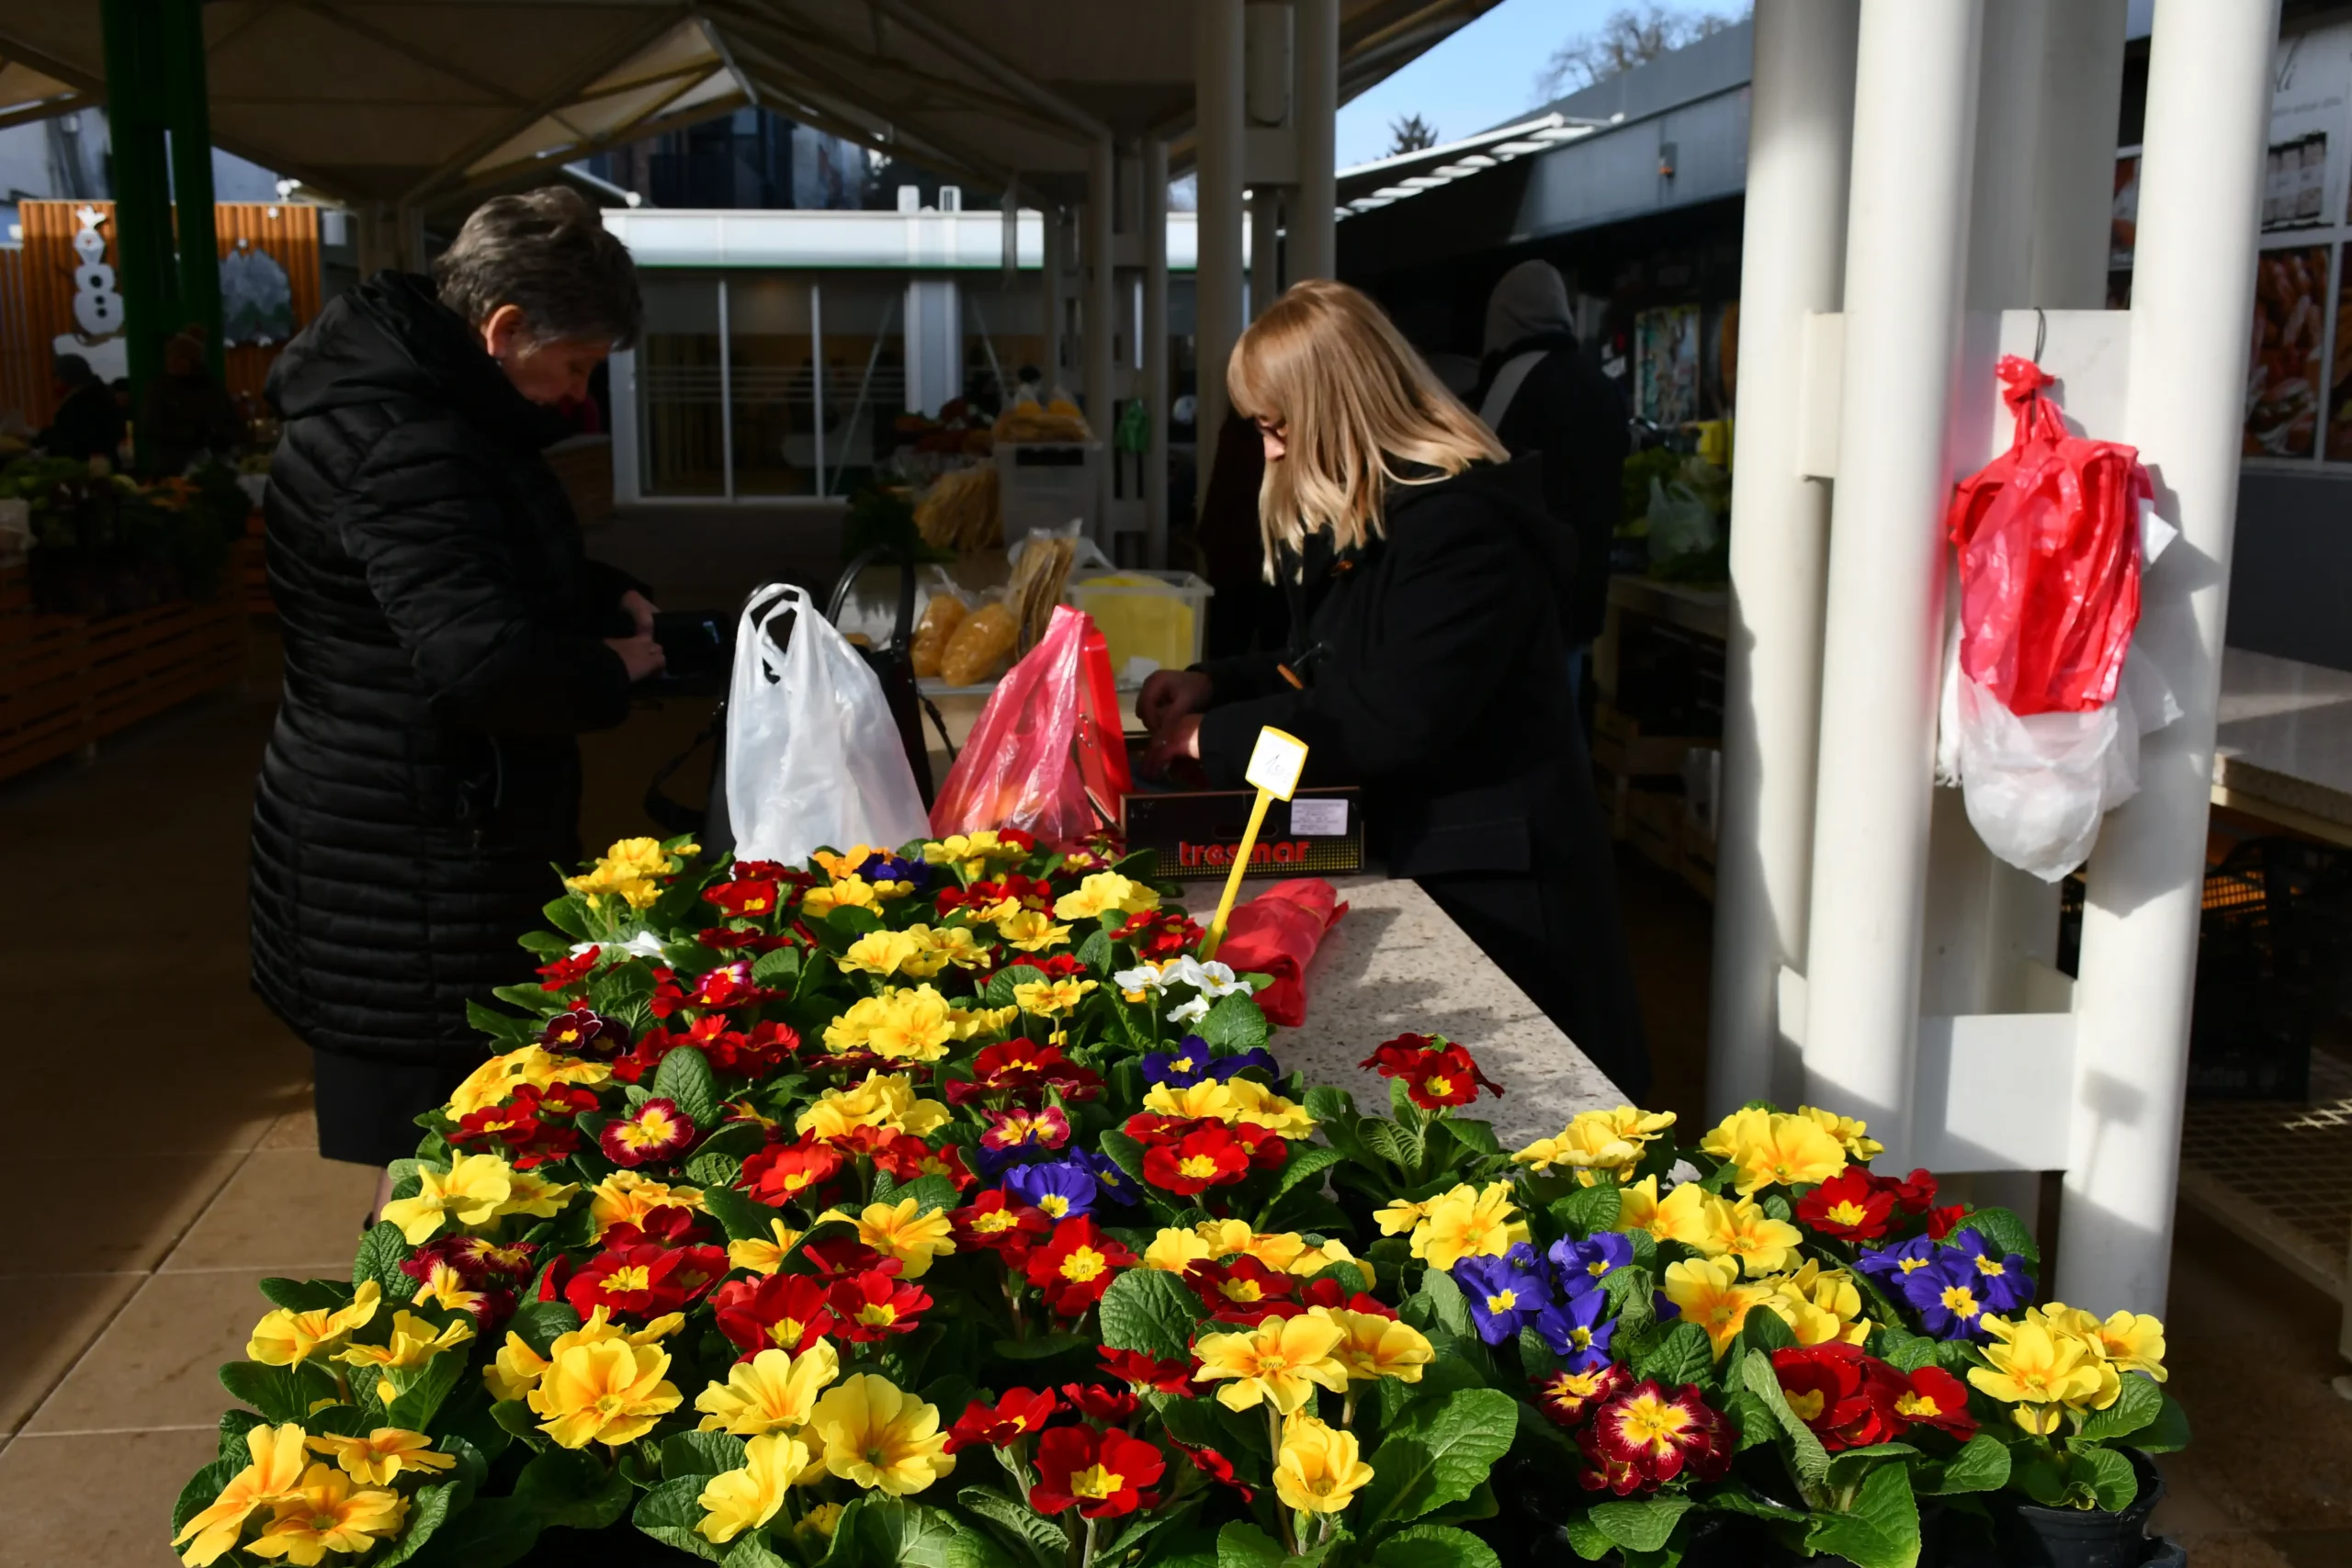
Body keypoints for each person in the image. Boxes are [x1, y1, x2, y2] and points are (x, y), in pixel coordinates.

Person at [1137, 279, 1648, 1095]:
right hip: (1439, 854)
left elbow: (1388, 714)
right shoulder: (1398, 513)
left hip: (1504, 892)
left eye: (1278, 426)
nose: (1269, 451)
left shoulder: (1463, 528)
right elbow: (1329, 658)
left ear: (1337, 405)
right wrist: (1212, 684)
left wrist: (1217, 739)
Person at [250, 186, 666, 1174]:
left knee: (460, 1167)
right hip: (411, 854)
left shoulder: (434, 412)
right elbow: (481, 660)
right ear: (505, 327)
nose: (575, 395)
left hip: (413, 828)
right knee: (438, 1174)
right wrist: (610, 668)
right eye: (572, 367)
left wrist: (599, 595)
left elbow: (466, 570)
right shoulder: (405, 442)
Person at [1470, 259, 1630, 713]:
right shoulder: (1600, 385)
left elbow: (1476, 475)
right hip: (1581, 592)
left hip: (1518, 601)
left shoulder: (1514, 378)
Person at [139, 329, 245, 477]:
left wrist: (219, 436)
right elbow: (151, 427)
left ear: (193, 360)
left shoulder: (211, 388)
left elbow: (233, 423)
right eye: (170, 357)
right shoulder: (159, 389)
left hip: (213, 466)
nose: (172, 362)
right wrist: (191, 434)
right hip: (171, 468)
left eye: (179, 358)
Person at [37, 353, 124, 464]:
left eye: (57, 376)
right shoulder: (98, 392)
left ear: (67, 377)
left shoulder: (81, 402)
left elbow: (70, 437)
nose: (55, 382)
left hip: (87, 466)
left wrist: (41, 438)